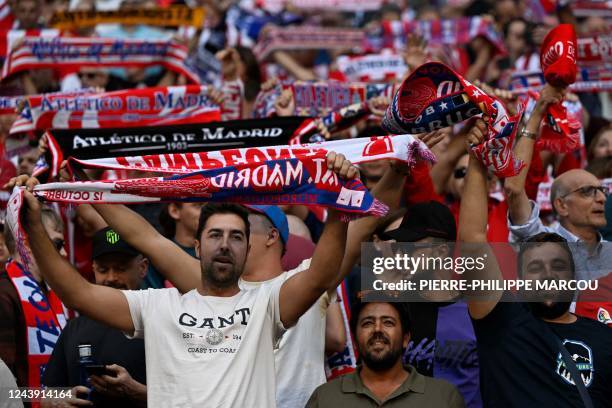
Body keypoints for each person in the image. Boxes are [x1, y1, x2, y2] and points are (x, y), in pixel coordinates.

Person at [13, 151, 358, 408]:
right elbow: (78, 293)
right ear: (196, 245)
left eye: (236, 237)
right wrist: (38, 222)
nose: (225, 243)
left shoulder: (267, 303)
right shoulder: (160, 305)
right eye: (215, 235)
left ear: (248, 247)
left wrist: (340, 199)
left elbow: (320, 275)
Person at [459, 118, 612, 407]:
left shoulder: (604, 338)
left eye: (557, 267)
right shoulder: (500, 323)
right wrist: (477, 159)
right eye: (535, 269)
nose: (547, 276)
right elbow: (473, 239)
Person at [504, 84, 610, 280]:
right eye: (588, 191)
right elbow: (514, 188)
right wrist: (536, 115)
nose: (602, 198)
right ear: (561, 205)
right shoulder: (541, 242)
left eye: (602, 190)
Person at [42, 227, 148, 408]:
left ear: (142, 268)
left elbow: (192, 394)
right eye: (103, 269)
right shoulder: (75, 327)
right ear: (92, 269)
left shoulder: (162, 319)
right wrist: (57, 401)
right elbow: (45, 394)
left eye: (121, 268)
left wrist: (138, 391)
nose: (111, 278)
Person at [306, 300, 465, 407]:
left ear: (405, 339)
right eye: (367, 323)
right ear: (354, 340)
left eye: (388, 322)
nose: (377, 330)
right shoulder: (325, 398)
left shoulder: (443, 398)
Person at [0, 206, 68, 389]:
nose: (64, 254)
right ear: (28, 244)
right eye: (58, 244)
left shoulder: (54, 292)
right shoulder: (4, 294)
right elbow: (4, 388)